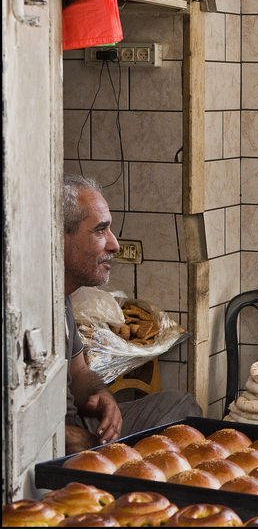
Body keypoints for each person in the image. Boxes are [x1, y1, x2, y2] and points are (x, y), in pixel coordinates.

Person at [63, 174, 201, 454]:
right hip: (50, 437)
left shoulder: (62, 297)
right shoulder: (24, 306)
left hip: (78, 424)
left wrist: (101, 396)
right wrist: (70, 439)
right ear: (60, 237)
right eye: (100, 231)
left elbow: (78, 373)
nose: (114, 244)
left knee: (181, 407)